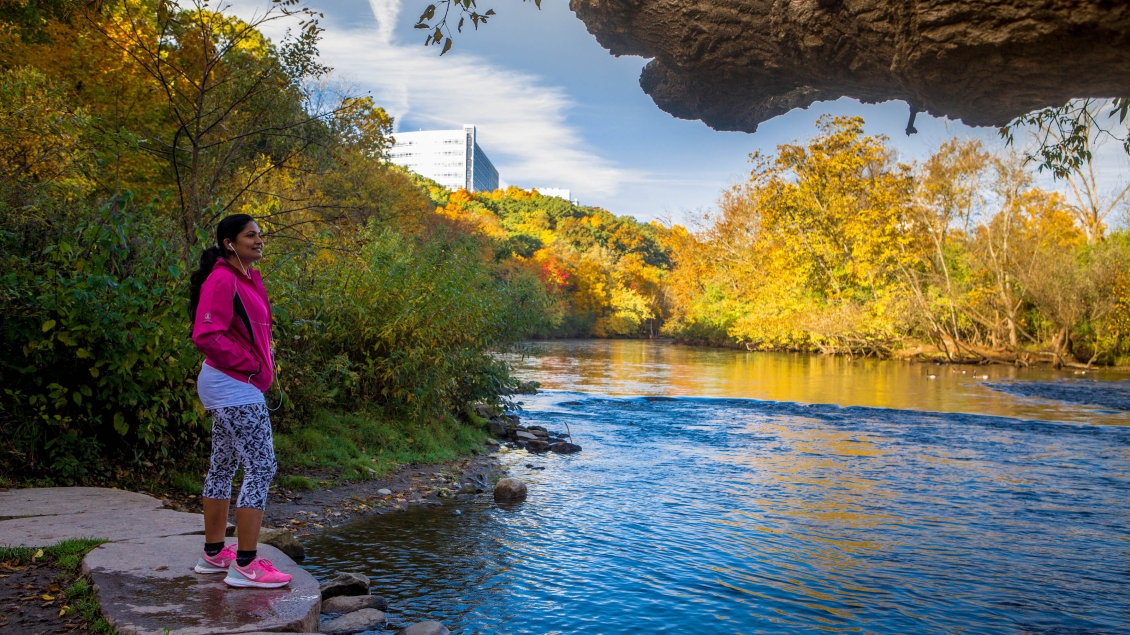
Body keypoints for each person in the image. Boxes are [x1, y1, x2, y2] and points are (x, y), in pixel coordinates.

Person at [187, 214, 291, 589]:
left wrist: (258, 362)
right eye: (251, 235)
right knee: (262, 465)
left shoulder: (246, 278)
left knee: (224, 464)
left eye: (260, 234)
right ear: (230, 242)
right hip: (232, 385)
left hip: (232, 384)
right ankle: (246, 565)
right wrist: (250, 365)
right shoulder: (223, 279)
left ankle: (214, 554)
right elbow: (207, 334)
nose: (259, 240)